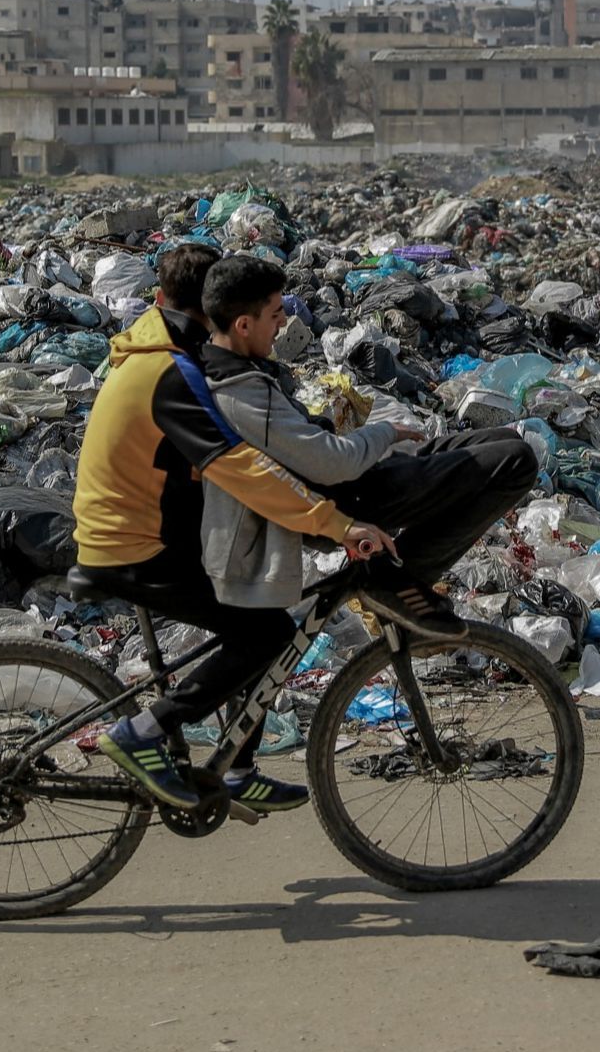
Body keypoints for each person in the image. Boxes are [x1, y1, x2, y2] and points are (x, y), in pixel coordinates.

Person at [72, 244, 386, 815]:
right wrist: (336, 524)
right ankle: (141, 733)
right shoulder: (173, 369)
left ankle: (237, 767)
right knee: (266, 634)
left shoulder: (154, 343)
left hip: (132, 528)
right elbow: (238, 465)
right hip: (133, 544)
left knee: (258, 613)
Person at [199, 255, 539, 631]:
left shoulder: (234, 373)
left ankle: (394, 576)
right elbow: (332, 463)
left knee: (502, 439)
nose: (283, 324)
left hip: (357, 479)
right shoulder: (241, 394)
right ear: (243, 324)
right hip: (348, 494)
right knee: (516, 460)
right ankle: (398, 581)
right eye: (275, 314)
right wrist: (385, 433)